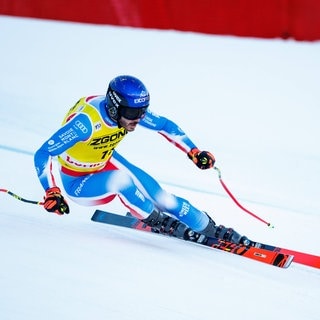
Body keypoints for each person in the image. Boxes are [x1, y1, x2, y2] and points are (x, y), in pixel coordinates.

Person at [34, 75, 250, 245]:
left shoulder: (128, 112)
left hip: (105, 160)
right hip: (77, 182)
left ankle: (207, 227)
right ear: (114, 106)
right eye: (132, 112)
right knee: (121, 181)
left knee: (163, 198)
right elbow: (44, 153)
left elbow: (165, 125)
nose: (137, 119)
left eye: (142, 111)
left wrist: (194, 151)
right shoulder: (85, 124)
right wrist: (51, 191)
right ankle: (157, 220)